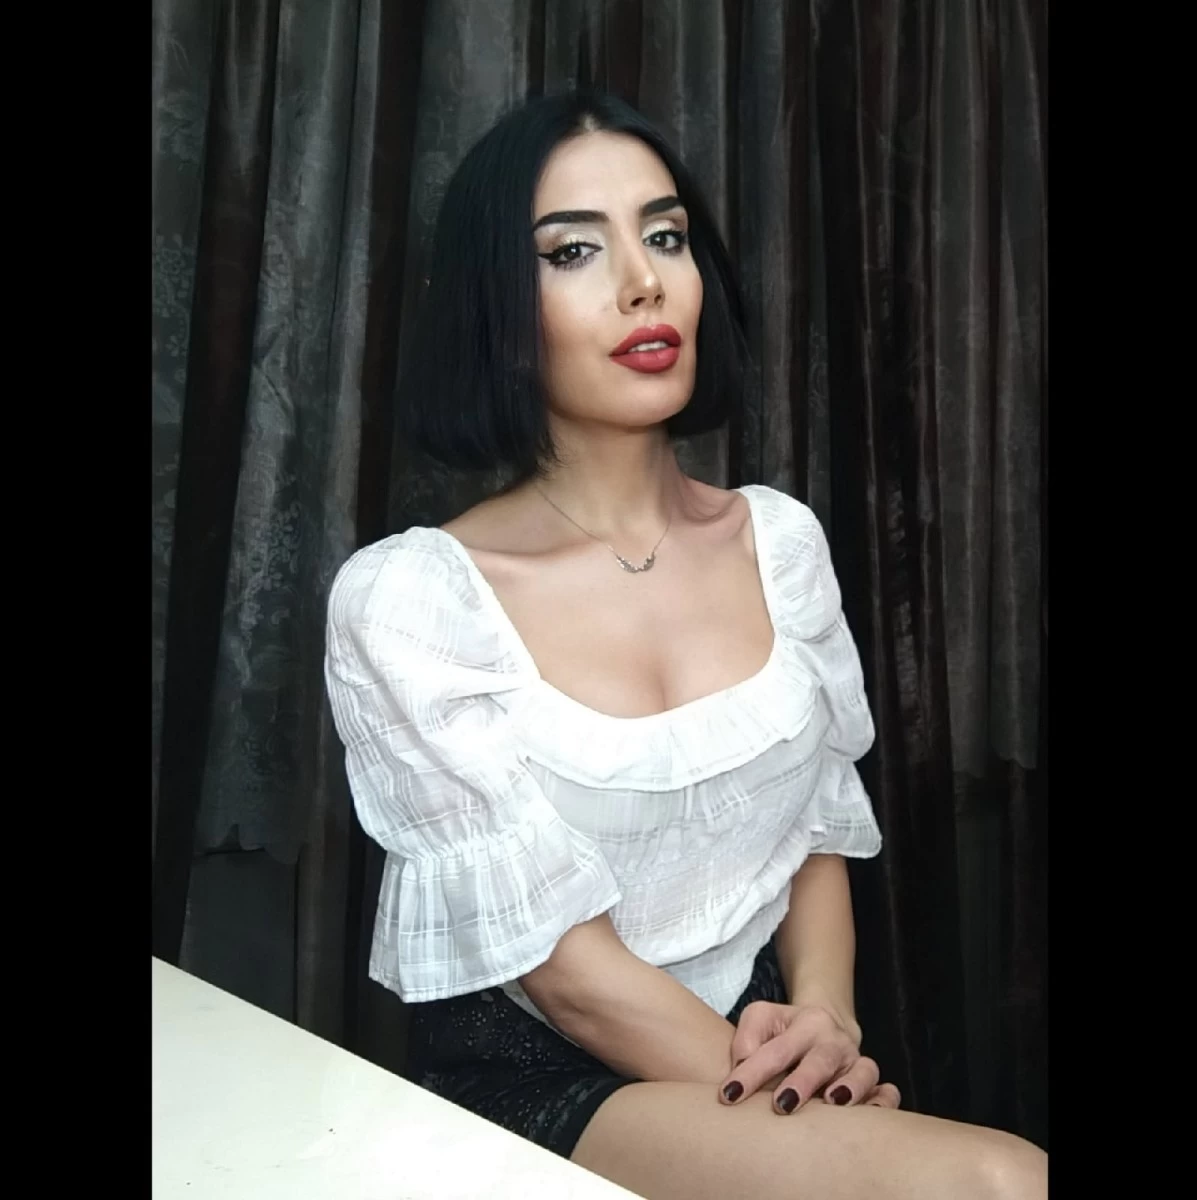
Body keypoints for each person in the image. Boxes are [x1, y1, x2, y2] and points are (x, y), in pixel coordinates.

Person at [324, 90, 1047, 1200]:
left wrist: (829, 1020)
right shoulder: (414, 600)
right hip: (548, 1079)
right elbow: (566, 979)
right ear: (494, 306)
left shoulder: (780, 543)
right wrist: (824, 1110)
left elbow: (815, 830)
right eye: (573, 251)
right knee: (997, 1180)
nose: (643, 282)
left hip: (764, 1051)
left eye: (664, 236)